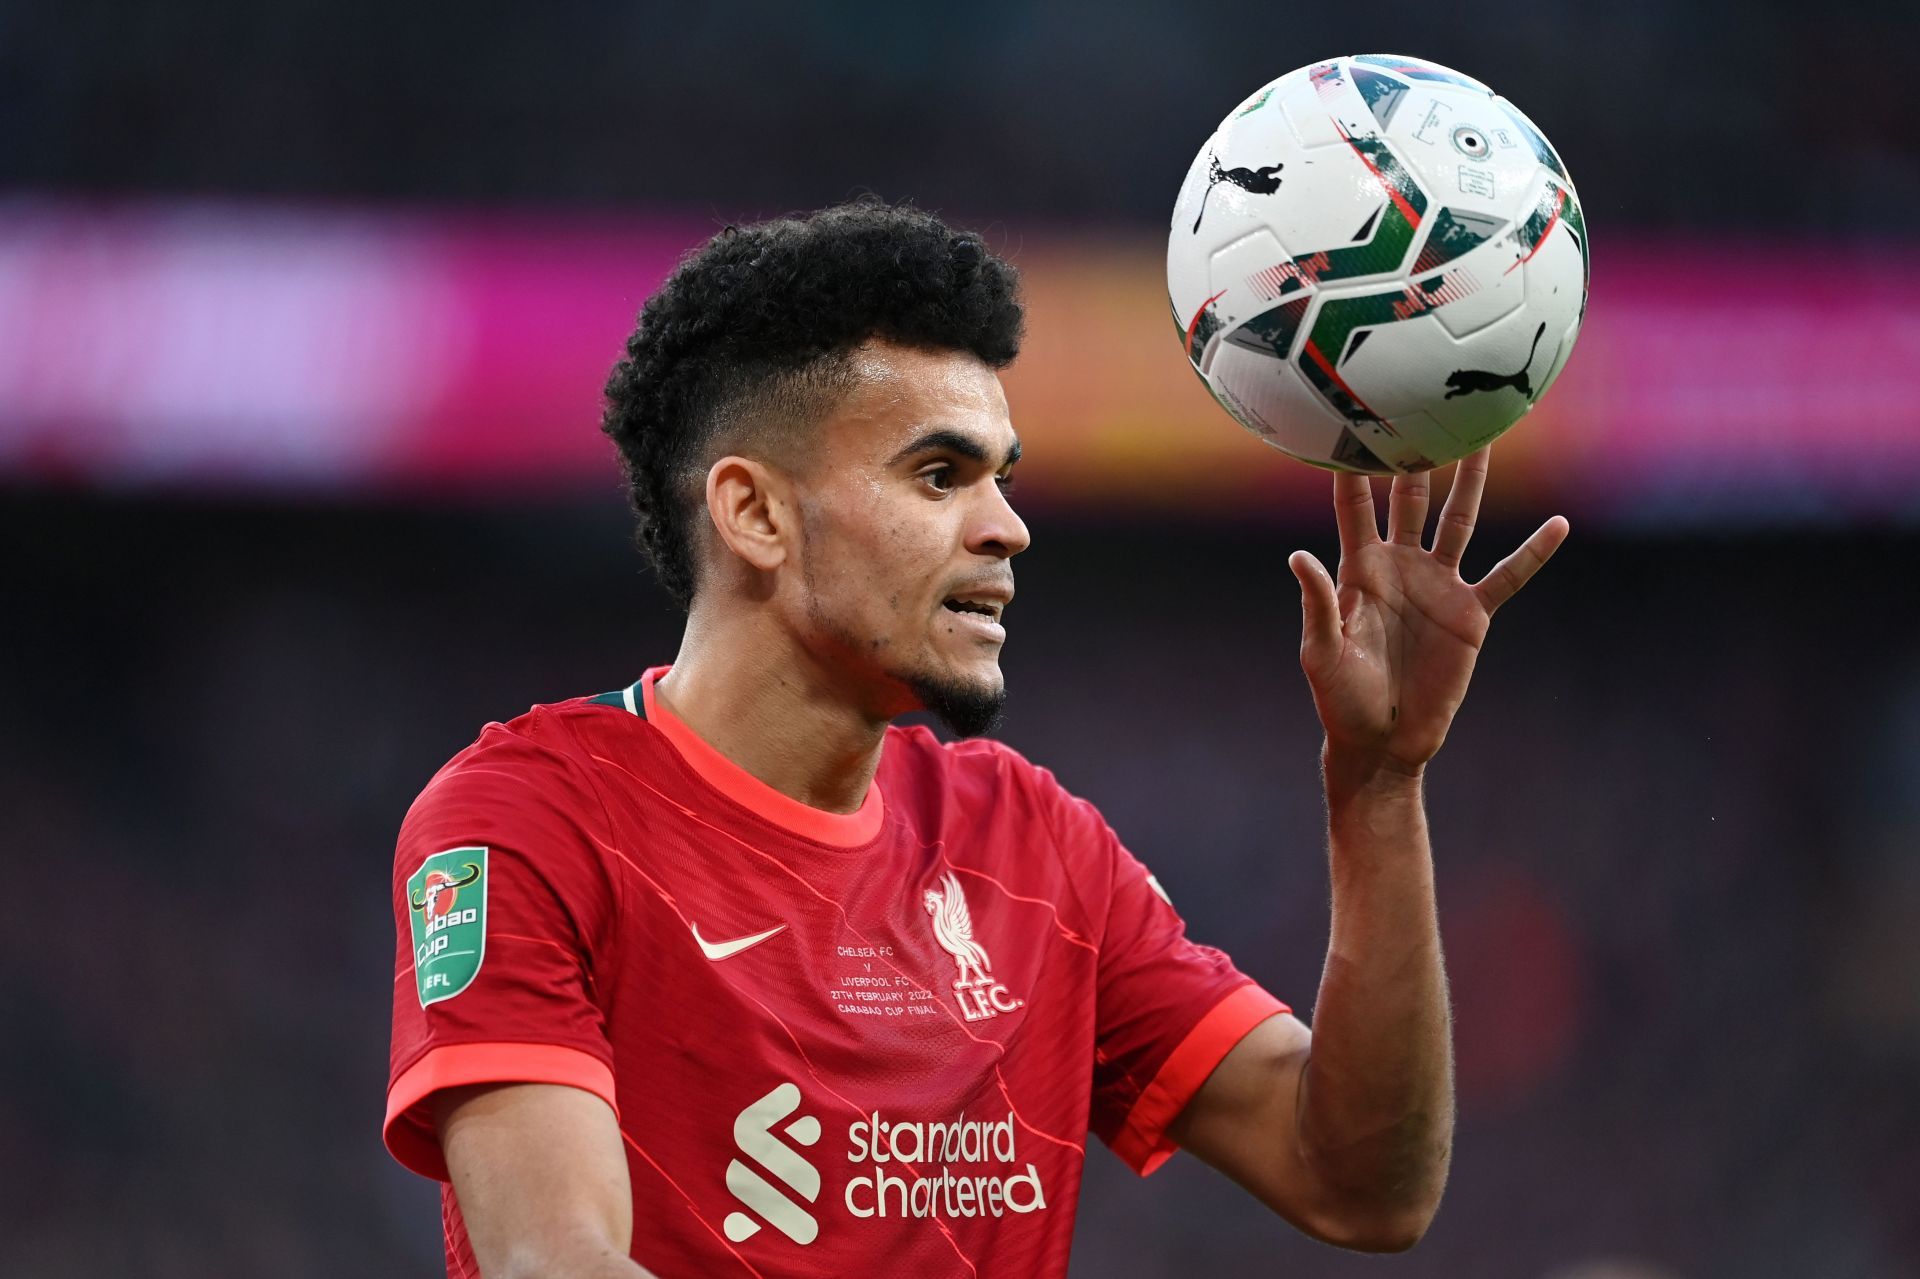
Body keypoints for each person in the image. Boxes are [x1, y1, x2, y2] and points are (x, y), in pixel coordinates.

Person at [382, 200, 1568, 1278]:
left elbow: (1362, 1183)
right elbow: (557, 1261)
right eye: (939, 474)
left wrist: (1378, 788)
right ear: (752, 513)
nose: (1008, 529)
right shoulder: (530, 820)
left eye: (1002, 477)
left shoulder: (1033, 846)